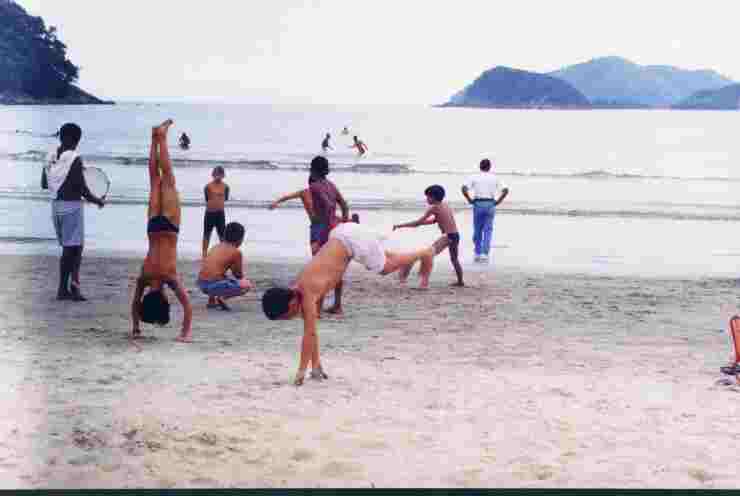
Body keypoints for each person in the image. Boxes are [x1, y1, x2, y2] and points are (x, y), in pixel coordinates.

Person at [261, 222, 435, 386]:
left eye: (287, 316)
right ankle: (415, 256)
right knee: (383, 258)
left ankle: (424, 253)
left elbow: (310, 335)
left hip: (353, 242)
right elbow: (311, 332)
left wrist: (300, 372)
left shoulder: (307, 292)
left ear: (290, 303)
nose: (291, 317)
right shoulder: (299, 288)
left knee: (384, 268)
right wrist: (315, 367)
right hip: (343, 234)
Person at [130, 120, 193, 343]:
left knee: (167, 178)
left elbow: (187, 306)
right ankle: (154, 138)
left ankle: (163, 137)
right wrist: (135, 328)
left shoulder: (170, 278)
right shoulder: (143, 277)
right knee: (154, 180)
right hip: (153, 227)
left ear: (165, 301)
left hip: (169, 228)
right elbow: (135, 303)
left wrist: (185, 334)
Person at [41, 123, 106, 301]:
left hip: (56, 207)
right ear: (74, 139)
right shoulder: (75, 158)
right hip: (72, 207)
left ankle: (67, 288)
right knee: (74, 250)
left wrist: (62, 178)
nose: (77, 144)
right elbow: (82, 189)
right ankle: (67, 289)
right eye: (77, 140)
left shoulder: (50, 156)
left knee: (70, 248)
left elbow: (44, 184)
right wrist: (97, 200)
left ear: (61, 136)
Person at [393, 185, 464, 287]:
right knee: (454, 259)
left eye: (428, 197)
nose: (426, 199)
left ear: (434, 197)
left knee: (426, 255)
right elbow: (435, 220)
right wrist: (421, 223)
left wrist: (401, 225)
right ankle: (460, 281)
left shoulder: (434, 208)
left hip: (448, 236)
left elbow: (417, 223)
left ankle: (417, 281)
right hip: (455, 235)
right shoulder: (445, 205)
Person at [461, 158, 509, 263]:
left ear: (480, 166)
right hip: (490, 203)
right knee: (488, 230)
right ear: (490, 167)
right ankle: (485, 253)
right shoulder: (495, 178)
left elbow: (463, 188)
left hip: (478, 203)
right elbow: (505, 190)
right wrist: (498, 201)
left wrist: (469, 199)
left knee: (477, 229)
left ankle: (477, 252)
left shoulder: (474, 177)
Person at [197, 222, 253, 311]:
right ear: (240, 239)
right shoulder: (236, 252)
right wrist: (244, 280)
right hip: (212, 285)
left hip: (201, 283)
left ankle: (211, 301)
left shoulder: (216, 246)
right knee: (246, 285)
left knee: (221, 275)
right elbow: (238, 275)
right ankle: (222, 298)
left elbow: (211, 269)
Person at [202, 166, 230, 259]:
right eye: (216, 174)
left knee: (222, 235)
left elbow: (225, 198)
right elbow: (207, 198)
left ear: (223, 175)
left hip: (220, 213)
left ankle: (223, 253)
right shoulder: (207, 186)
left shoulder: (226, 187)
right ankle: (204, 254)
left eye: (220, 174)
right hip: (210, 213)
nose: (218, 176)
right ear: (213, 175)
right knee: (207, 234)